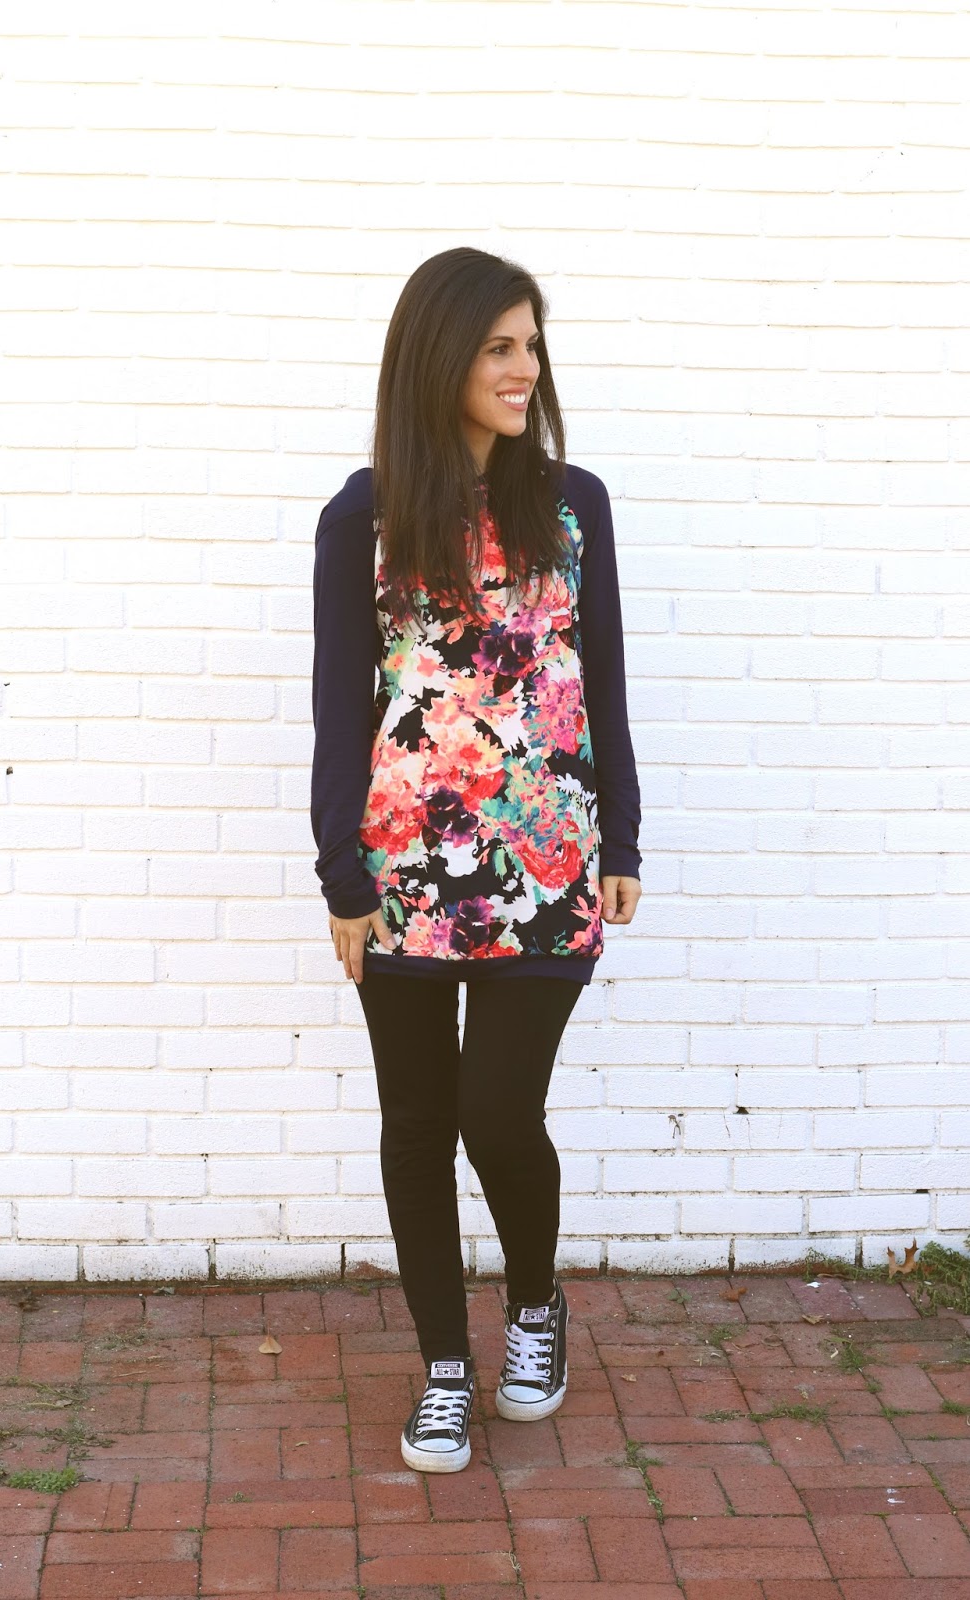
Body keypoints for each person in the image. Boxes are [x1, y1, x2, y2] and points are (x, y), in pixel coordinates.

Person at [309, 247, 642, 1474]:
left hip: (546, 867)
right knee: (416, 1121)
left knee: (499, 1110)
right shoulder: (364, 515)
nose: (524, 368)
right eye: (499, 346)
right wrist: (340, 876)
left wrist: (622, 833)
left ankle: (536, 1305)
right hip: (400, 872)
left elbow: (601, 681)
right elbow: (339, 706)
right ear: (439, 354)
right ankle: (446, 1368)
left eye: (530, 344)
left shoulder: (572, 504)